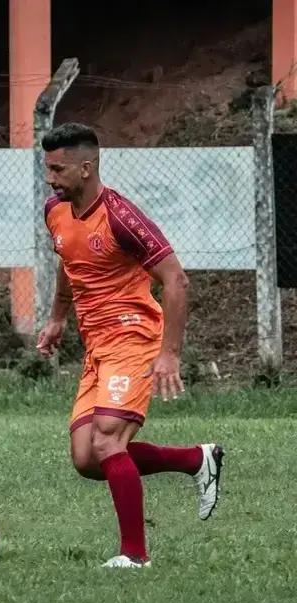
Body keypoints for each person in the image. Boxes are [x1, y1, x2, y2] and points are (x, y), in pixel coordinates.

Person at [36, 122, 224, 568]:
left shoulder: (121, 217)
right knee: (86, 458)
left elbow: (176, 279)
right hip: (97, 344)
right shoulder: (55, 211)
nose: (50, 178)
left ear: (86, 168)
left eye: (58, 169)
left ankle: (134, 556)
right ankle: (197, 460)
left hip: (135, 336)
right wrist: (58, 317)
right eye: (47, 168)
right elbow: (69, 260)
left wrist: (169, 353)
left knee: (106, 440)